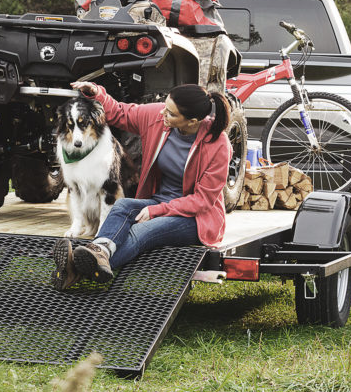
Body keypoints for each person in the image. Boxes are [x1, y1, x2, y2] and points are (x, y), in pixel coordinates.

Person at [51, 82, 232, 290]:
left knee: (142, 231)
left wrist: (158, 210)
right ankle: (98, 253)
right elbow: (121, 113)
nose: (163, 113)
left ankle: (76, 268)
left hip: (195, 218)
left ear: (192, 121)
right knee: (122, 206)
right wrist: (97, 93)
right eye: (165, 106)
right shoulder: (158, 117)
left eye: (171, 114)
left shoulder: (218, 145)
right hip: (159, 201)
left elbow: (203, 201)